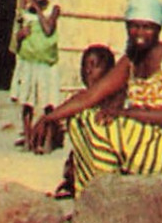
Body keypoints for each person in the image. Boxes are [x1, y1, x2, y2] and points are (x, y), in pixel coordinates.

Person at [28, 0, 162, 188]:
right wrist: (49, 117)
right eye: (134, 26)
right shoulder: (131, 60)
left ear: (158, 28)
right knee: (81, 120)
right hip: (148, 130)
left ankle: (109, 193)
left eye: (147, 27)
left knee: (114, 129)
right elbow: (90, 96)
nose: (139, 33)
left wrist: (126, 114)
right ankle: (95, 192)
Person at [51, 44, 119, 199]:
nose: (88, 71)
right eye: (85, 65)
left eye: (95, 66)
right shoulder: (79, 100)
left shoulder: (117, 99)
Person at [10, 0, 62, 152]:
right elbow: (16, 37)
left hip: (46, 64)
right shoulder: (24, 12)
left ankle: (47, 140)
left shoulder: (53, 10)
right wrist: (21, 34)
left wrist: (37, 9)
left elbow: (48, 29)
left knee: (48, 102)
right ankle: (28, 139)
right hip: (28, 63)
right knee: (27, 103)